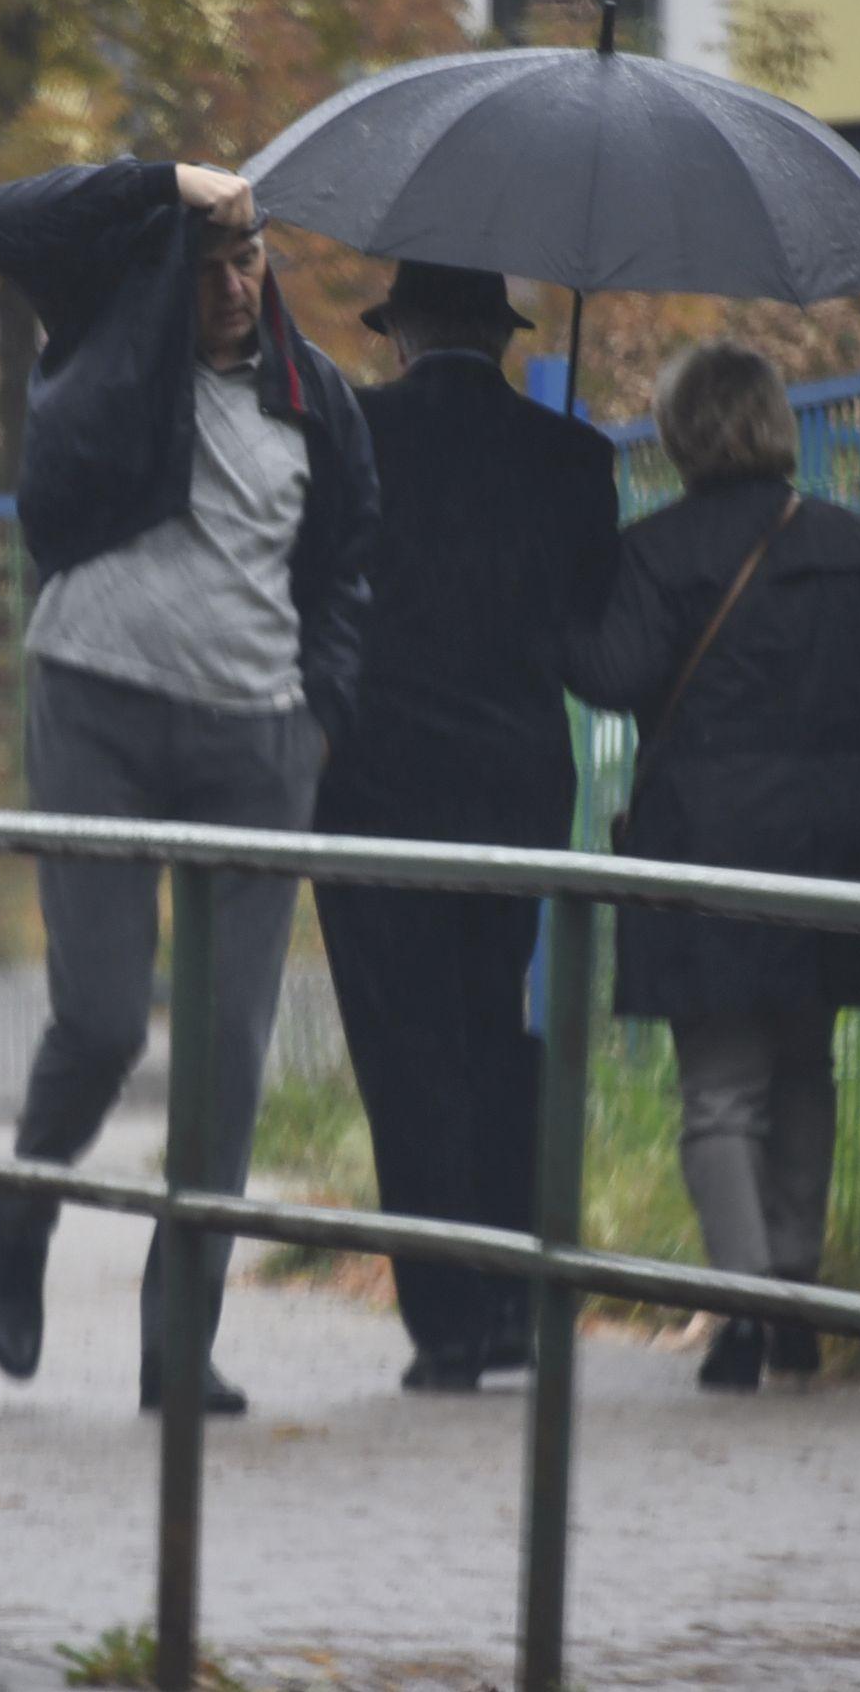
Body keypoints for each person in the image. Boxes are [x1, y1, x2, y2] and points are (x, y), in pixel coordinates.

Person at [0, 156, 378, 1419]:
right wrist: (161, 183)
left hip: (257, 742)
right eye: (210, 269)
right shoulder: (104, 337)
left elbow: (347, 571)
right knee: (99, 1022)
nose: (236, 288)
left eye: (252, 262)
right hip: (94, 702)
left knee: (227, 1058)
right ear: (168, 277)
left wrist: (316, 720)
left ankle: (174, 1343)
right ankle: (22, 1220)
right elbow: (6, 217)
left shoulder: (315, 402)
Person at [566, 342, 860, 1392]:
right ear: (775, 422)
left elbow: (609, 675)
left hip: (705, 854)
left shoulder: (656, 552)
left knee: (721, 1091)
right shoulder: (853, 547)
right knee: (803, 1068)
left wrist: (565, 580)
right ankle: (795, 1294)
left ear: (682, 432)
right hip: (829, 856)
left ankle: (738, 1304)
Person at [311, 260, 620, 1393]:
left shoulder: (346, 437)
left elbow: (312, 589)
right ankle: (513, 1302)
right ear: (499, 338)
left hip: (373, 792)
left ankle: (444, 1320)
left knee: (407, 1051)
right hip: (513, 792)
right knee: (496, 1029)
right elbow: (588, 628)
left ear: (397, 338)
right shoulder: (572, 459)